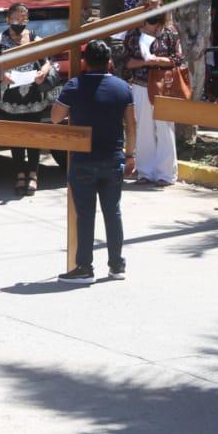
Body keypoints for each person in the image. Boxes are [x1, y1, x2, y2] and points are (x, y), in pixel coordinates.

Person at [53, 39, 136, 282]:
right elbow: (131, 124)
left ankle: (84, 267)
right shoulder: (123, 88)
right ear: (109, 62)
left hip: (83, 160)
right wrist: (131, 154)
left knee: (85, 215)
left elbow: (56, 117)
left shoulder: (74, 86)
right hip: (113, 157)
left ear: (83, 62)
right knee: (113, 213)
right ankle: (116, 265)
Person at [0, 4, 61, 197]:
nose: (21, 21)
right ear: (8, 19)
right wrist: (2, 76)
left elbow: (47, 61)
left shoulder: (35, 38)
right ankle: (20, 173)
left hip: (33, 95)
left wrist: (43, 73)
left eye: (24, 18)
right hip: (11, 97)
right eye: (17, 18)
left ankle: (34, 175)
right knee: (16, 136)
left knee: (33, 135)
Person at [121, 0, 183, 186]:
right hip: (140, 84)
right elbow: (125, 62)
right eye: (149, 7)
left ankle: (166, 174)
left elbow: (177, 58)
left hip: (164, 85)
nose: (153, 11)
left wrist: (157, 60)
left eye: (157, 7)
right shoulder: (133, 33)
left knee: (165, 128)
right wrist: (144, 61)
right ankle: (145, 172)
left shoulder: (170, 32)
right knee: (144, 127)